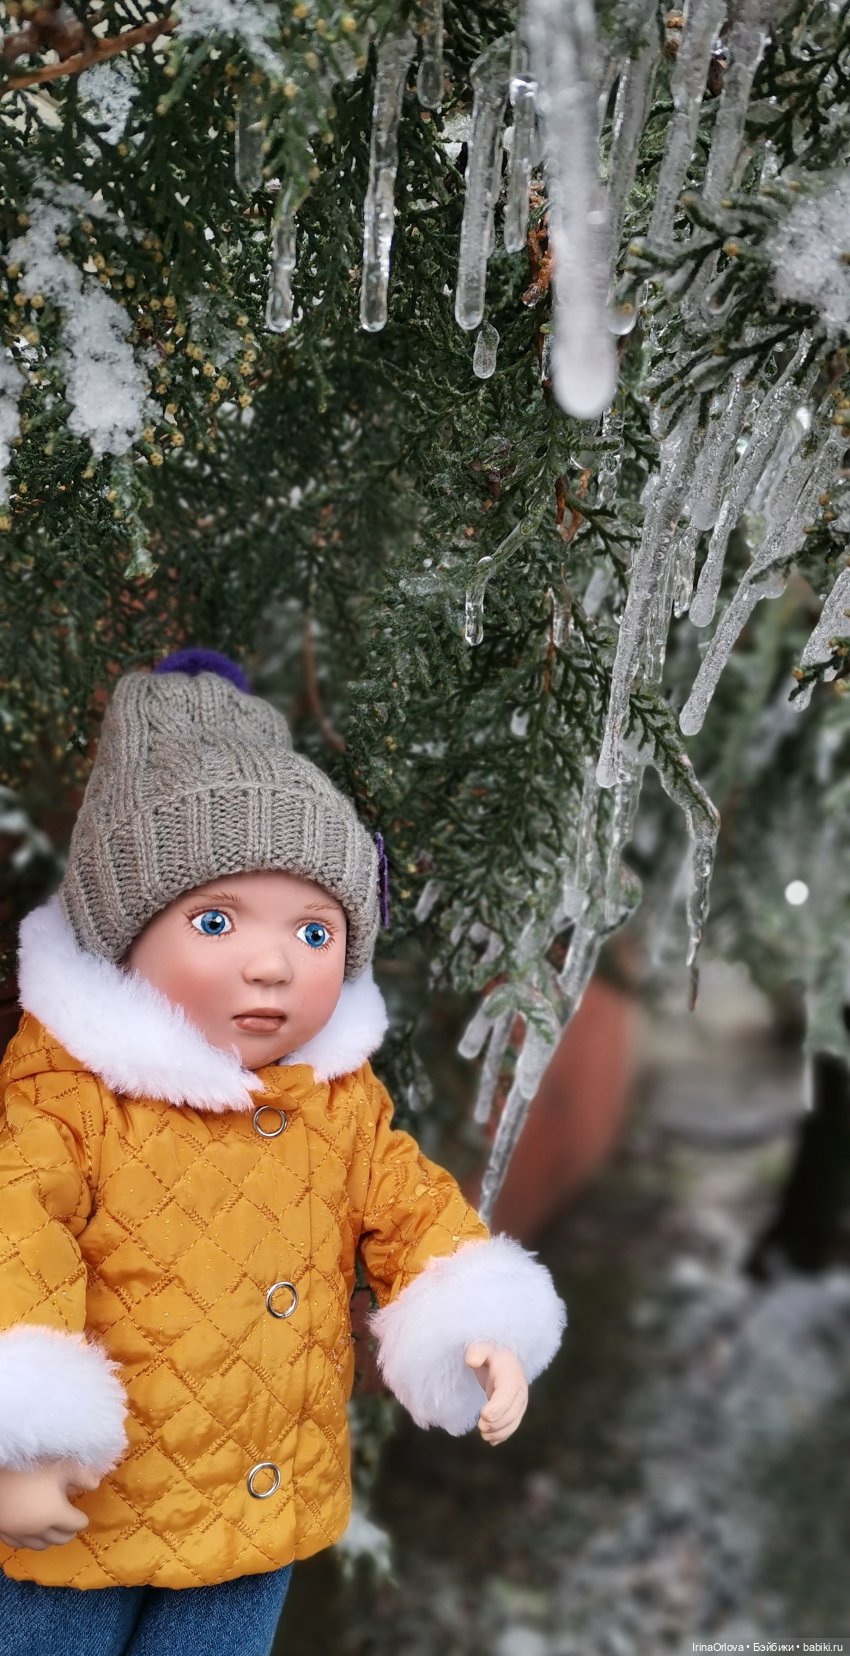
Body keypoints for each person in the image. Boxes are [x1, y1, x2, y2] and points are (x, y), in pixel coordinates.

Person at [0, 649, 567, 1655]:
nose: (272, 965)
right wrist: (20, 1441)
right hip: (84, 1513)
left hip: (259, 1509)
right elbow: (16, 1253)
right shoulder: (68, 1098)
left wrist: (479, 1321)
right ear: (125, 937)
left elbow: (409, 1205)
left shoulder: (334, 1099)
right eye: (216, 921)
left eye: (314, 933)